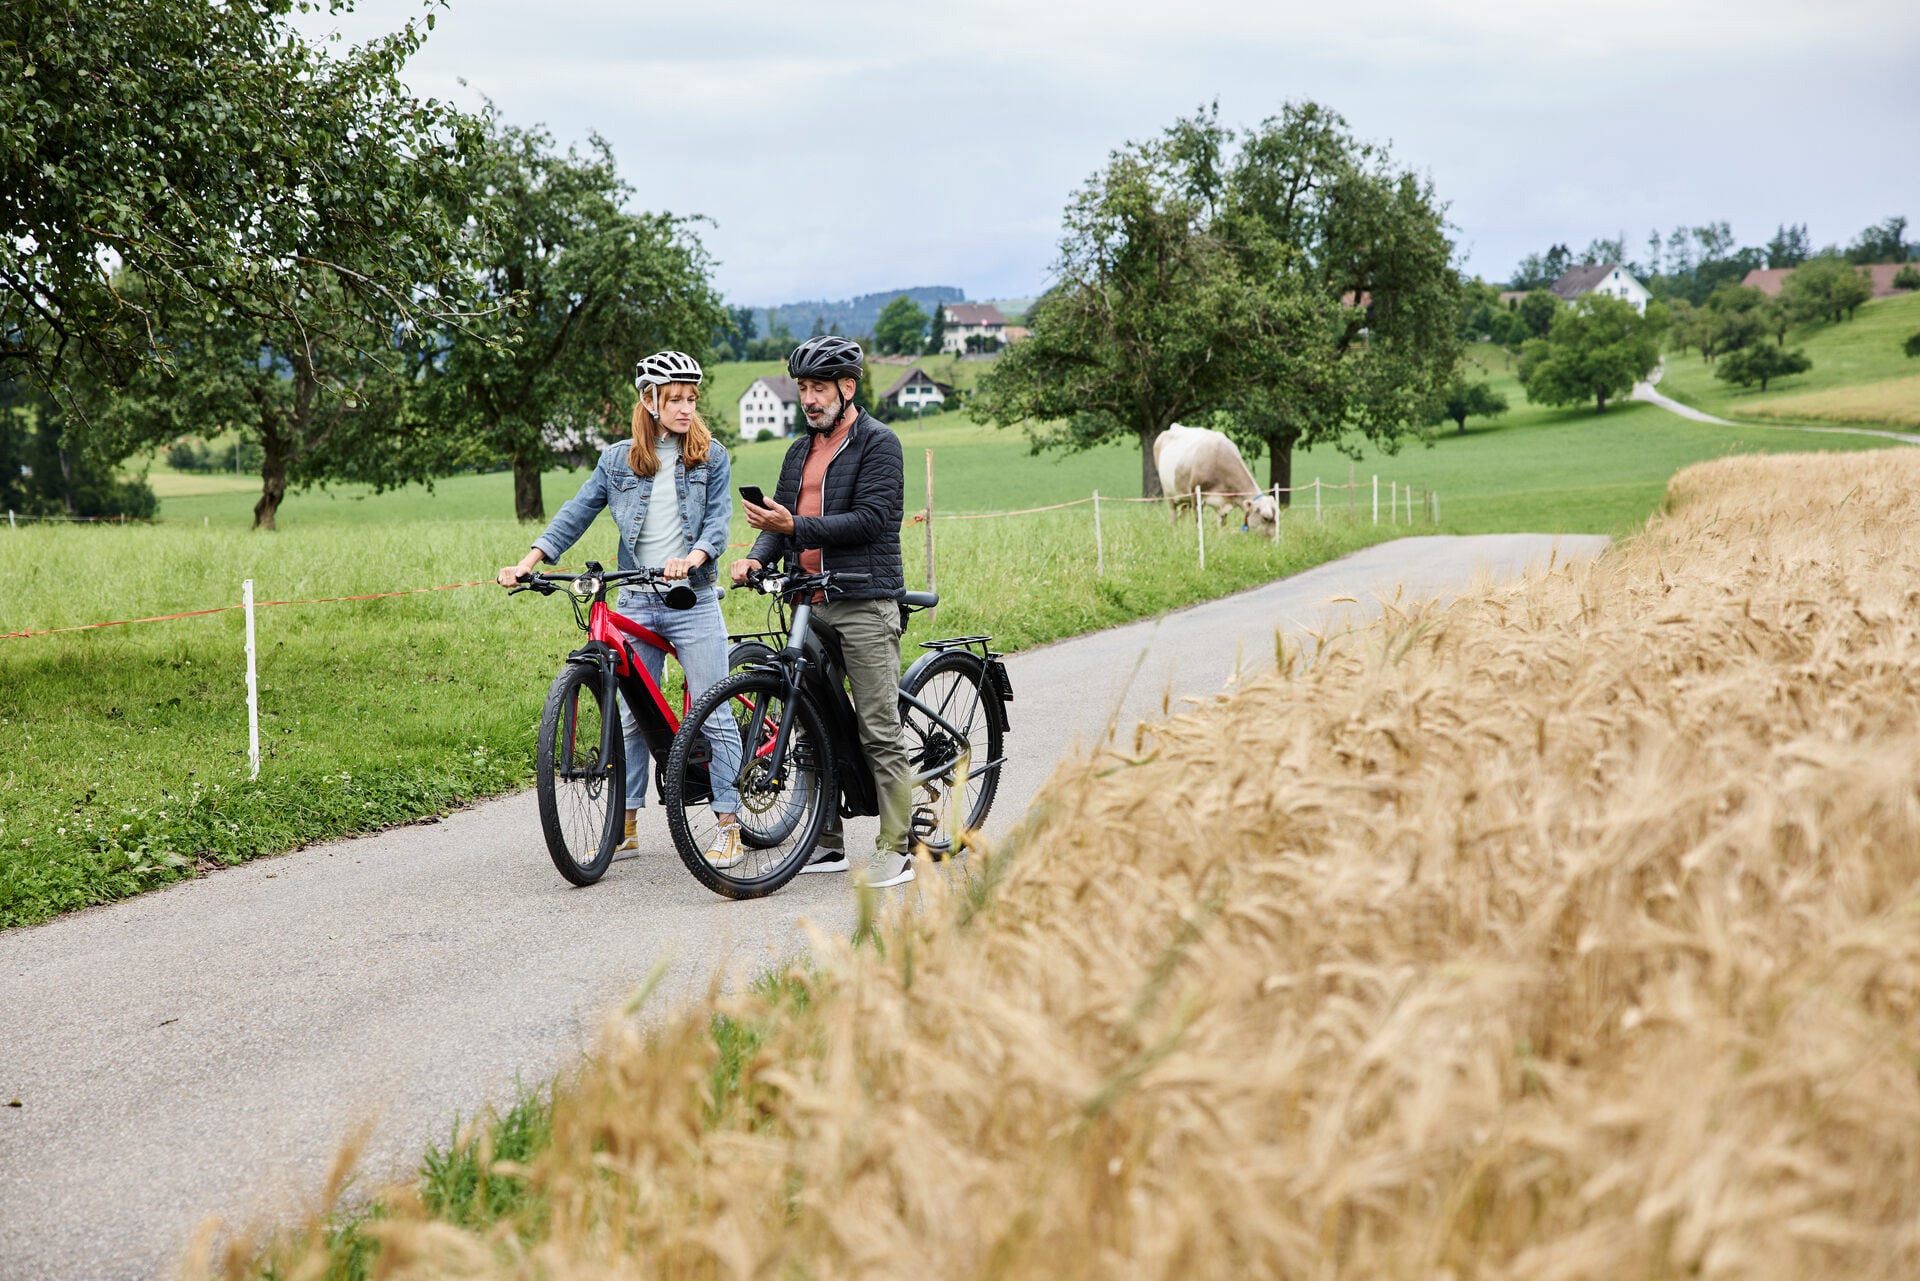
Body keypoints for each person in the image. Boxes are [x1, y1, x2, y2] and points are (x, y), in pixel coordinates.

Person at [499, 350, 745, 868]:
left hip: (692, 598)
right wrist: (530, 560)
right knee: (632, 720)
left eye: (691, 399)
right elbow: (577, 512)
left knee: (714, 711)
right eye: (674, 399)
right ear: (649, 400)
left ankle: (729, 824)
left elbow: (719, 524)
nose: (685, 408)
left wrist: (694, 557)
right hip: (636, 598)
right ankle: (625, 827)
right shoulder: (617, 461)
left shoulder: (711, 456)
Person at [729, 335, 913, 888]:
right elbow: (781, 521)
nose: (809, 399)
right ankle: (826, 841)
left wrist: (793, 528)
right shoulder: (798, 450)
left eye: (818, 388)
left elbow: (873, 520)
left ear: (847, 387)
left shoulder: (880, 444)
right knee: (813, 726)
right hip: (807, 601)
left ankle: (897, 846)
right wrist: (756, 557)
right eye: (803, 388)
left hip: (862, 598)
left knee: (877, 726)